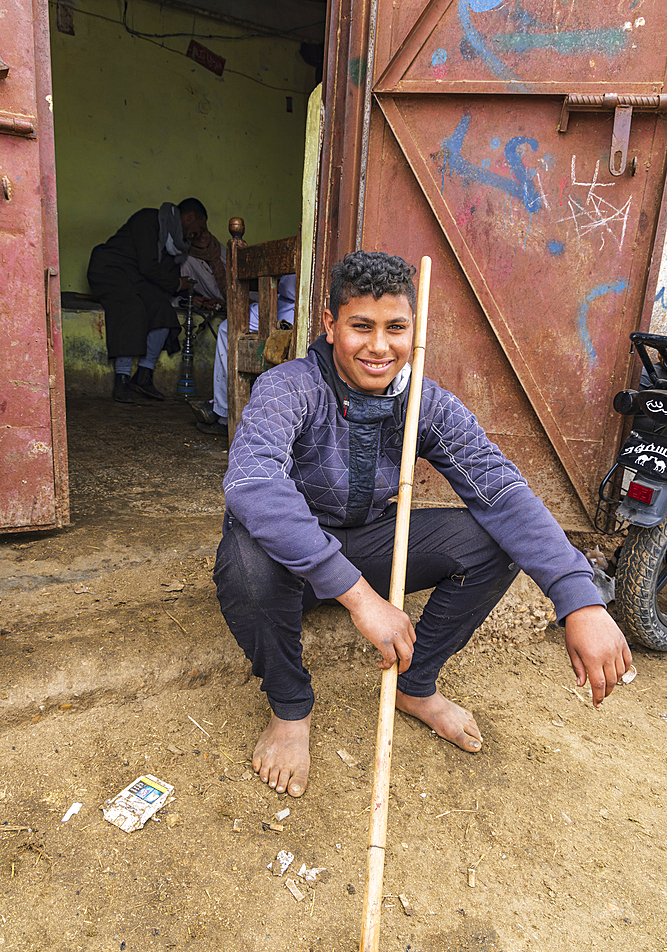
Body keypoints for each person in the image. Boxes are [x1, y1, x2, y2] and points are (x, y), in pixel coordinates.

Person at [213, 251, 632, 799]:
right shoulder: (287, 388)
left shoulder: (424, 401)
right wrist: (362, 599)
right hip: (288, 563)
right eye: (361, 326)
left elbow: (501, 490)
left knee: (493, 542)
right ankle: (290, 709)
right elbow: (254, 486)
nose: (379, 346)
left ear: (416, 328)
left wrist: (579, 598)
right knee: (246, 556)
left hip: (364, 543)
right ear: (330, 324)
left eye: (396, 328)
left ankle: (414, 685)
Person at [87, 199, 209, 403]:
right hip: (109, 270)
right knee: (131, 308)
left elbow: (163, 279)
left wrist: (187, 294)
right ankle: (122, 378)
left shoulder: (177, 246)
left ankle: (143, 376)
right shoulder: (149, 220)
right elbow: (149, 267)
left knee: (162, 309)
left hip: (134, 278)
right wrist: (178, 284)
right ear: (189, 218)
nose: (198, 234)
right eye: (200, 227)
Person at [190, 274, 297, 439]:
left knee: (228, 329)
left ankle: (224, 414)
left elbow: (290, 286)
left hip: (297, 304)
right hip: (285, 302)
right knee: (229, 327)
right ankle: (222, 407)